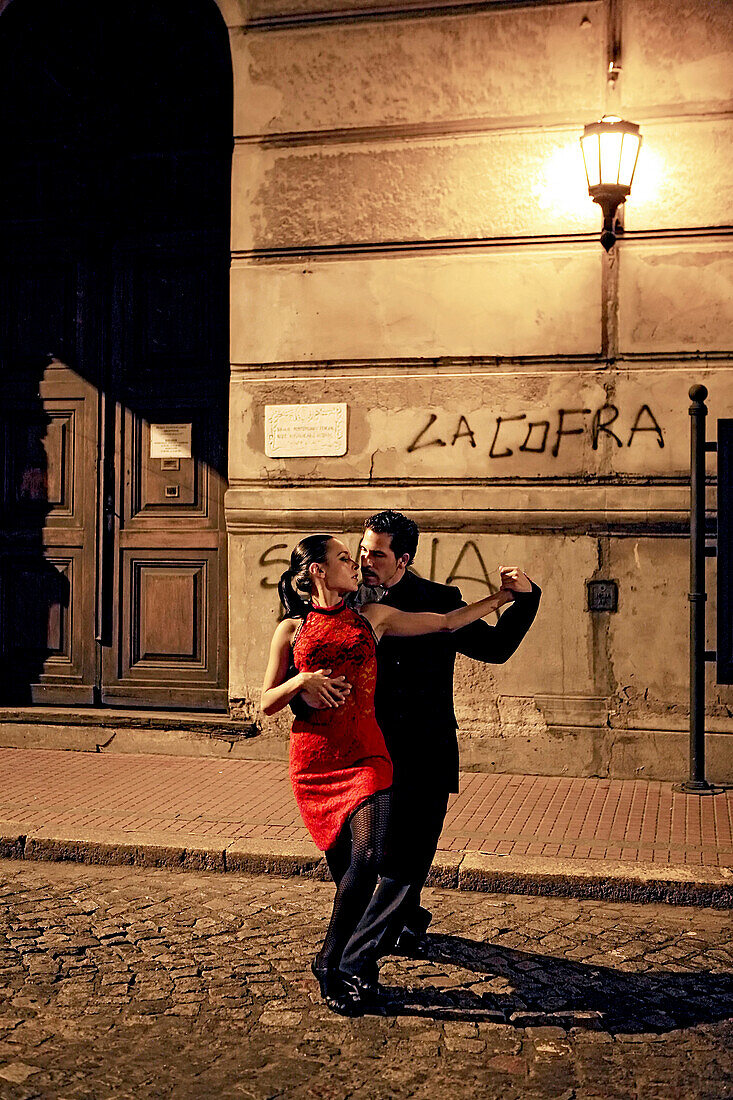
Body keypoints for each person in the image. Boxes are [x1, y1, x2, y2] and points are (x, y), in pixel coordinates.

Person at [260, 533, 520, 1014]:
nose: (354, 563)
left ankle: (331, 960)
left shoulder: (372, 618)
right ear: (317, 571)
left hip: (369, 757)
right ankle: (363, 960)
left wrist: (500, 598)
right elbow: (266, 703)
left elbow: (445, 622)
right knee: (349, 875)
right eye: (343, 557)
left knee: (370, 859)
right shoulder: (290, 630)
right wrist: (301, 680)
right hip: (317, 761)